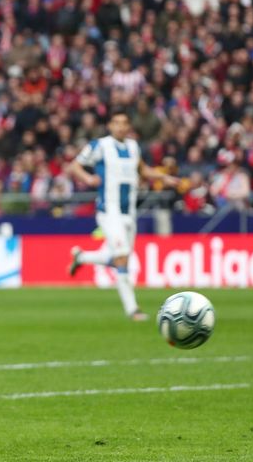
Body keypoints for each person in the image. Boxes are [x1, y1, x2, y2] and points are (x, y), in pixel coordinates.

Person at [67, 109, 178, 321]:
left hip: (129, 213)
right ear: (110, 126)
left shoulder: (134, 146)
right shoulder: (100, 145)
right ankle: (132, 309)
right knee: (122, 257)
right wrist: (88, 179)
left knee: (117, 258)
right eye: (116, 122)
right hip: (109, 211)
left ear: (128, 127)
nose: (120, 126)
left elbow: (143, 171)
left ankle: (81, 257)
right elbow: (75, 165)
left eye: (124, 123)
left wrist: (164, 177)